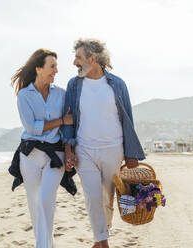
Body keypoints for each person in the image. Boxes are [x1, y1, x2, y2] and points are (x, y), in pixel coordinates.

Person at [62, 39, 145, 248]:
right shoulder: (74, 85)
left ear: (93, 59)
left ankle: (100, 238)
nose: (74, 62)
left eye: (79, 58)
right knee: (92, 197)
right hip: (85, 150)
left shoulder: (117, 84)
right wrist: (68, 148)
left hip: (113, 149)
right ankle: (103, 242)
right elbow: (68, 119)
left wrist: (131, 153)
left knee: (108, 199)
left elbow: (128, 119)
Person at [10, 48, 75, 248]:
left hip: (55, 155)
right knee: (35, 206)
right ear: (39, 69)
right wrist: (61, 120)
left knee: (46, 201)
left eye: (56, 67)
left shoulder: (62, 94)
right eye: (52, 66)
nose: (56, 71)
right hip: (29, 156)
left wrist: (69, 150)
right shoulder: (24, 95)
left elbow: (68, 127)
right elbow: (32, 128)